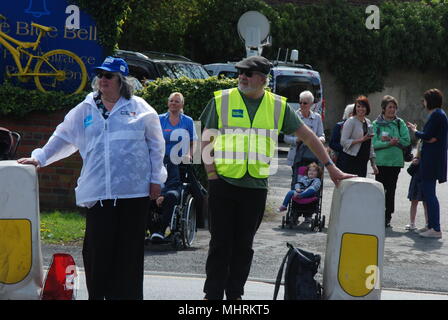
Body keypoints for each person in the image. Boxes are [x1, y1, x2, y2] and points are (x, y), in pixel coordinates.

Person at [199, 55, 355, 300]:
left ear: (262, 79)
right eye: (240, 72)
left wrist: (331, 167)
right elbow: (206, 139)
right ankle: (213, 296)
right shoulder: (222, 100)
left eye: (248, 74)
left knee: (243, 247)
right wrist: (212, 176)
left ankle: (235, 295)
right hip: (224, 184)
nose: (242, 77)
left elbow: (309, 137)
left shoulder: (277, 106)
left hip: (255, 188)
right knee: (220, 244)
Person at [18, 56, 166, 300]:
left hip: (134, 193)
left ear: (121, 81)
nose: (103, 80)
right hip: (99, 193)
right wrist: (40, 157)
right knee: (97, 252)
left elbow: (156, 145)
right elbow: (64, 136)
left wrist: (156, 179)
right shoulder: (86, 108)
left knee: (129, 253)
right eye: (100, 75)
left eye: (109, 76)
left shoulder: (141, 109)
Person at [407, 88, 448, 238]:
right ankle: (430, 225)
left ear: (430, 101)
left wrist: (415, 130)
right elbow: (431, 138)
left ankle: (435, 228)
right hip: (431, 159)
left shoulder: (437, 115)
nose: (423, 103)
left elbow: (429, 136)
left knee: (430, 195)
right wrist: (424, 136)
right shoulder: (438, 115)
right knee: (429, 193)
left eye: (424, 100)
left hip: (432, 160)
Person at [372, 95, 411, 228]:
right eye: (390, 107)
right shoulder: (376, 124)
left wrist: (396, 140)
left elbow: (407, 141)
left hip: (395, 163)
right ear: (383, 109)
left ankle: (387, 216)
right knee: (379, 190)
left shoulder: (400, 123)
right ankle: (377, 214)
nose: (392, 110)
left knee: (391, 190)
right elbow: (373, 144)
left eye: (394, 107)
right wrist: (387, 143)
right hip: (381, 162)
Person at [284, 90, 325, 169]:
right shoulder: (293, 117)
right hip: (297, 157)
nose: (302, 105)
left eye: (305, 103)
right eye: (300, 102)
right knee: (297, 179)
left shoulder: (317, 118)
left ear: (311, 104)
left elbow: (322, 136)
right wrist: (297, 140)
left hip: (313, 155)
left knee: (313, 179)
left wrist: (318, 139)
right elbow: (286, 138)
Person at [340, 96, 379, 177]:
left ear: (367, 108)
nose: (360, 109)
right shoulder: (350, 121)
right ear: (355, 108)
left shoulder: (368, 122)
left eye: (363, 106)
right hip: (351, 159)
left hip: (363, 161)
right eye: (358, 106)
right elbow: (343, 142)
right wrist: (361, 139)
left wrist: (373, 163)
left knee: (360, 187)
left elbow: (370, 144)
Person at [150, 160, 182, 242]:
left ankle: (161, 231)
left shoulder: (171, 162)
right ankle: (153, 231)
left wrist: (162, 195)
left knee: (171, 196)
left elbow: (174, 181)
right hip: (152, 192)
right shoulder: (149, 162)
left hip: (170, 190)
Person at [406, 140, 428, 232]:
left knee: (420, 202)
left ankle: (414, 223)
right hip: (419, 176)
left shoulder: (423, 143)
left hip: (419, 177)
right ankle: (416, 223)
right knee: (421, 202)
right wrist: (415, 160)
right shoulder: (422, 142)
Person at [329, 104, 354, 169]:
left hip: (356, 159)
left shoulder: (361, 126)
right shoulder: (339, 126)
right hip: (342, 159)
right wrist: (345, 148)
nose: (354, 115)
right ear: (348, 114)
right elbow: (332, 143)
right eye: (352, 113)